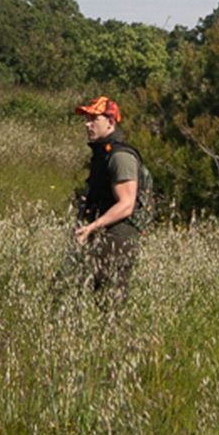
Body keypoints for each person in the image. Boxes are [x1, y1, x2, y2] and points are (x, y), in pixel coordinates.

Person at [71, 96, 142, 305]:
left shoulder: (120, 157)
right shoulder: (102, 153)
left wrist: (91, 227)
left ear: (110, 122)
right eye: (86, 119)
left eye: (94, 119)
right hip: (103, 234)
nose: (87, 124)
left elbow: (126, 205)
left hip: (118, 237)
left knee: (110, 304)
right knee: (89, 296)